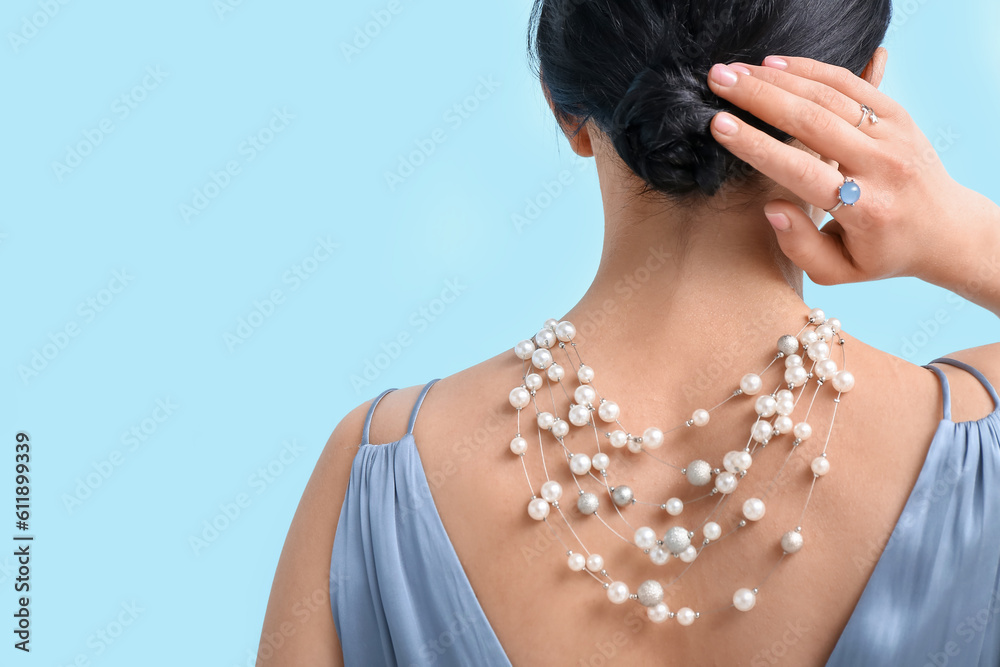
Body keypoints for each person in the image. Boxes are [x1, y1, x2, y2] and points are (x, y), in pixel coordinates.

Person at [257, 0, 1000, 664]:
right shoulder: (975, 439)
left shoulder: (379, 465)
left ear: (564, 107)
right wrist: (962, 237)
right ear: (863, 90)